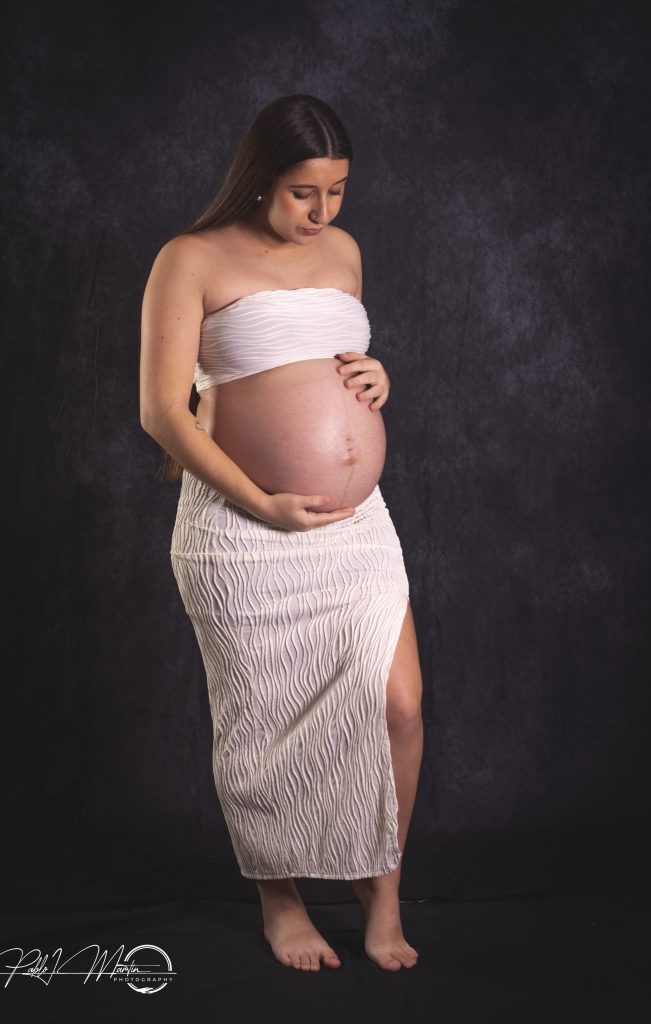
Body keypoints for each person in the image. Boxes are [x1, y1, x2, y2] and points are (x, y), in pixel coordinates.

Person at [140, 94, 424, 972]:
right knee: (262, 720)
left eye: (337, 191)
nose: (322, 212)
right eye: (304, 192)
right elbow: (163, 412)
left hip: (353, 528)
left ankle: (382, 896)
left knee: (398, 706)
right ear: (261, 178)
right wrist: (262, 504)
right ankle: (280, 899)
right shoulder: (190, 258)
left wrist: (377, 378)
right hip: (240, 529)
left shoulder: (343, 252)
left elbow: (327, 360)